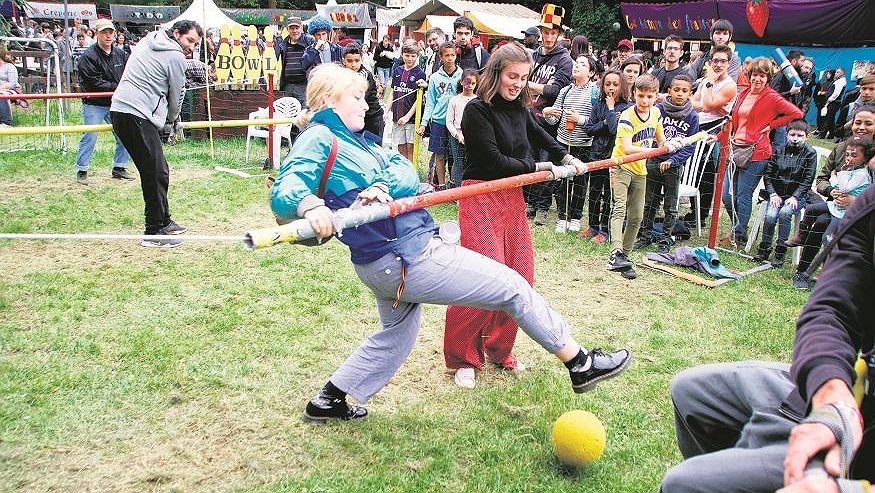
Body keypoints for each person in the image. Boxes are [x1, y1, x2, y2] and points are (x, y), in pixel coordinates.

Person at [270, 63, 632, 418]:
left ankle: (328, 400)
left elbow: (402, 171)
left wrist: (382, 185)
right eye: (359, 97)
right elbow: (287, 187)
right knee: (513, 286)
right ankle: (581, 363)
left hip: (383, 261)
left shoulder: (357, 142)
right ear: (332, 100)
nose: (367, 105)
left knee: (396, 336)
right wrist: (309, 205)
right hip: (405, 256)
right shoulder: (319, 137)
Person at [659, 183, 875, 493]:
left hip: (864, 455)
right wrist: (831, 396)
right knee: (693, 392)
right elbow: (833, 309)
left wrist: (853, 490)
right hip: (853, 393)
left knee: (684, 485)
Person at [439, 42, 628, 389]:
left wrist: (566, 158)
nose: (518, 84)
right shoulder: (476, 111)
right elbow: (494, 162)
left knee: (520, 276)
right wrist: (541, 166)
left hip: (511, 196)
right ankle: (463, 356)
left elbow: (541, 133)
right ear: (495, 73)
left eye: (524, 78)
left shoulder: (520, 108)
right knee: (484, 279)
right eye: (512, 76)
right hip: (479, 193)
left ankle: (498, 348)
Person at [110, 20, 202, 248]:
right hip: (135, 114)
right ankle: (153, 231)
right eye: (189, 40)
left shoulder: (147, 40)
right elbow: (177, 96)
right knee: (154, 172)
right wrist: (172, 119)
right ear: (177, 33)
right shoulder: (176, 57)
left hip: (126, 111)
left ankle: (164, 221)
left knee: (157, 170)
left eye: (196, 43)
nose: (191, 47)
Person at [789, 106, 875, 289]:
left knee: (828, 228)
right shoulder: (842, 148)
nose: (862, 127)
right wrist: (830, 191)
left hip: (865, 214)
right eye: (858, 122)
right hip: (837, 206)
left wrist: (858, 202)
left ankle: (834, 278)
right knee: (820, 221)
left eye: (868, 123)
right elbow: (822, 178)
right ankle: (803, 273)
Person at [607, 74, 681, 279]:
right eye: (640, 96)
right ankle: (614, 253)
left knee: (637, 216)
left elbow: (660, 139)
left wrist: (669, 145)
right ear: (634, 94)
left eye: (649, 96)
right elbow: (627, 147)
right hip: (620, 166)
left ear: (656, 96)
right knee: (619, 207)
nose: (644, 101)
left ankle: (624, 258)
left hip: (640, 169)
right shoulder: (627, 117)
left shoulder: (656, 113)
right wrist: (648, 152)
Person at [722, 56, 801, 244]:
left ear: (768, 78)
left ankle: (739, 234)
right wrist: (721, 136)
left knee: (743, 195)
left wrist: (772, 125)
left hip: (757, 153)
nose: (757, 79)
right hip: (736, 149)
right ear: (749, 75)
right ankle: (739, 225)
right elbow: (734, 120)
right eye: (754, 75)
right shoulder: (743, 93)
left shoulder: (772, 97)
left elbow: (796, 113)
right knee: (726, 195)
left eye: (762, 76)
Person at [635, 74, 700, 253]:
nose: (680, 94)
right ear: (669, 91)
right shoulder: (658, 110)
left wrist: (673, 160)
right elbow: (649, 133)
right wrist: (651, 154)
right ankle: (645, 236)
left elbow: (690, 147)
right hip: (654, 161)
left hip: (674, 166)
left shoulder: (692, 117)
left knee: (671, 205)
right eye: (676, 90)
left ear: (690, 93)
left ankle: (665, 240)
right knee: (649, 202)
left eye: (684, 91)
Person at [524, 3, 573, 225]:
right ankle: (529, 204)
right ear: (540, 32)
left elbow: (554, 90)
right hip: (528, 117)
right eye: (545, 32)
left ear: (559, 34)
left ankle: (543, 207)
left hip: (549, 122)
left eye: (553, 33)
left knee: (547, 164)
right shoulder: (534, 55)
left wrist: (528, 84)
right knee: (528, 162)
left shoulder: (564, 59)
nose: (549, 37)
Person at [543, 54, 598, 233]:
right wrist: (548, 114)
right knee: (562, 181)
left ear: (591, 72)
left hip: (584, 144)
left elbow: (596, 121)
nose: (576, 66)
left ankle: (575, 218)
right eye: (576, 63)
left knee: (581, 183)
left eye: (582, 64)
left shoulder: (595, 92)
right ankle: (562, 217)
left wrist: (579, 119)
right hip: (562, 142)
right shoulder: (565, 91)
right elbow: (554, 121)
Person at [74, 18, 132, 186]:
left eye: (111, 32)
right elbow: (93, 82)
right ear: (97, 34)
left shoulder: (121, 54)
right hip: (94, 103)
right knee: (90, 136)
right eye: (104, 32)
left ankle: (119, 167)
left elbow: (129, 74)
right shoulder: (88, 56)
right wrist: (119, 87)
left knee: (125, 134)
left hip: (116, 102)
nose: (108, 36)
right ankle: (82, 169)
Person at [752, 119, 817, 266]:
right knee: (770, 215)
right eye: (792, 134)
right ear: (786, 134)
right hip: (777, 194)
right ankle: (764, 247)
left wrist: (795, 196)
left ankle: (780, 250)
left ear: (807, 136)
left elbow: (808, 178)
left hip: (798, 196)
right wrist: (773, 194)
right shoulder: (779, 150)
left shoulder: (810, 153)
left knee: (785, 213)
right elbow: (768, 175)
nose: (795, 138)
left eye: (800, 135)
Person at [690, 45, 738, 228]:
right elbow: (694, 103)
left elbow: (707, 105)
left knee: (707, 175)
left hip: (715, 131)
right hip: (699, 127)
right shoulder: (706, 81)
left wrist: (709, 88)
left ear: (729, 63)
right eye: (715, 61)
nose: (718, 65)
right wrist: (707, 102)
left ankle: (701, 216)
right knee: (694, 173)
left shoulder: (729, 86)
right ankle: (694, 212)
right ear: (710, 62)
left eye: (722, 61)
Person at [581, 70, 631, 243]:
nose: (611, 88)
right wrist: (604, 121)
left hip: (614, 157)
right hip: (596, 155)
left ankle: (605, 230)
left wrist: (610, 110)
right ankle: (593, 226)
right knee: (594, 192)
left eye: (615, 84)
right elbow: (589, 129)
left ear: (621, 86)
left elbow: (615, 130)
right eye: (607, 84)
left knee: (609, 194)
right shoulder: (598, 104)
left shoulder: (626, 108)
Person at [418, 41, 461, 190]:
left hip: (456, 123)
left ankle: (454, 182)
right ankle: (441, 185)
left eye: (453, 55)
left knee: (456, 156)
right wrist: (424, 123)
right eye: (447, 55)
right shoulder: (435, 77)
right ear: (441, 57)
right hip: (439, 121)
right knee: (440, 155)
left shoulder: (462, 76)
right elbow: (430, 102)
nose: (450, 58)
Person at [390, 42, 426, 162]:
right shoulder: (397, 70)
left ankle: (412, 174)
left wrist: (407, 116)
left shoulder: (420, 74)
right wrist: (386, 110)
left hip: (411, 118)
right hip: (397, 115)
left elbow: (418, 99)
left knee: (411, 147)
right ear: (402, 55)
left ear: (417, 56)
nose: (410, 58)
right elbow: (393, 91)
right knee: (400, 147)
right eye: (407, 55)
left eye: (413, 56)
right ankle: (404, 174)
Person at [341, 43, 384, 139]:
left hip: (372, 118)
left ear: (362, 59)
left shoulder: (364, 75)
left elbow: (358, 97)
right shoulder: (341, 74)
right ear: (343, 61)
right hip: (355, 117)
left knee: (372, 149)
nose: (353, 65)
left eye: (357, 61)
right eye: (349, 61)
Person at [445, 68, 477, 188]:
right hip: (457, 135)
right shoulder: (454, 100)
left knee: (473, 164)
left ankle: (471, 192)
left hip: (474, 137)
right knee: (458, 164)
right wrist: (457, 135)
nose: (470, 86)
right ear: (462, 82)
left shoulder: (477, 100)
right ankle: (459, 193)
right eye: (467, 82)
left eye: (473, 83)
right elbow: (449, 122)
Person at [687, 19, 741, 86]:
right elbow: (688, 83)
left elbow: (727, 85)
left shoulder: (734, 59)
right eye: (718, 33)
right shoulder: (702, 58)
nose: (721, 37)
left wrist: (702, 81)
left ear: (730, 37)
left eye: (725, 34)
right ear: (711, 35)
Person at [278, 17, 313, 105]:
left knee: (303, 113)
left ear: (301, 28)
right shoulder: (283, 44)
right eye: (292, 28)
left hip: (304, 85)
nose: (295, 31)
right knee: (288, 112)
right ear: (287, 29)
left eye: (297, 28)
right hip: (288, 86)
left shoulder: (308, 42)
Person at [822, 67, 847, 140]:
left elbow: (836, 93)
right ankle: (831, 134)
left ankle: (824, 134)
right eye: (836, 72)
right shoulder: (839, 81)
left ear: (842, 73)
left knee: (829, 118)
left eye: (838, 72)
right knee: (830, 119)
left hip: (834, 102)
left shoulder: (841, 81)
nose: (836, 73)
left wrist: (829, 100)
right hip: (833, 102)